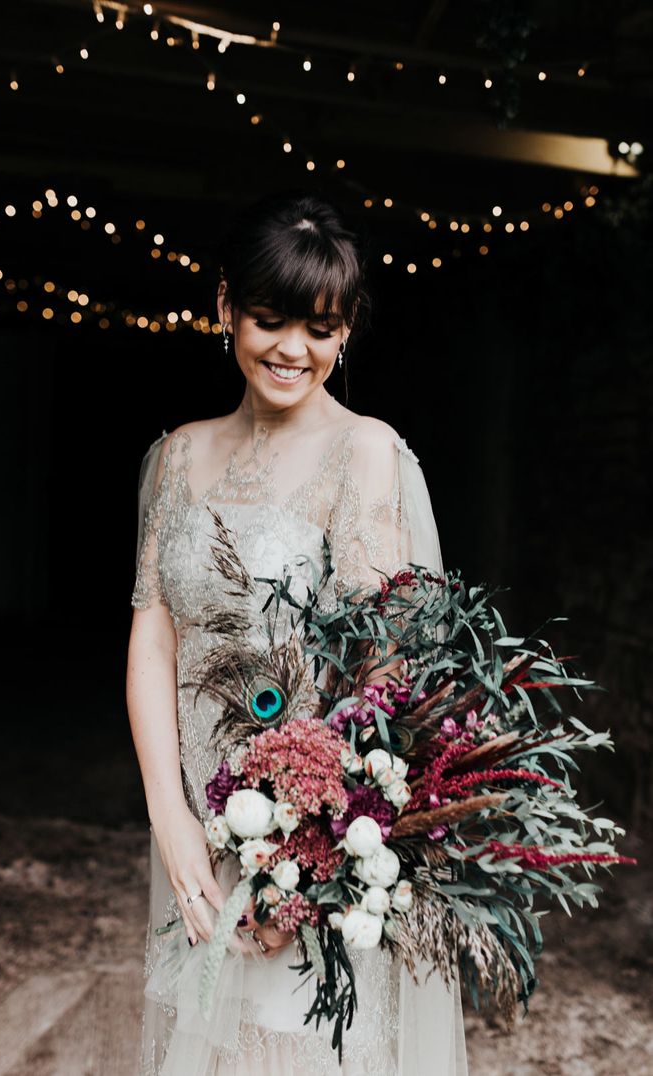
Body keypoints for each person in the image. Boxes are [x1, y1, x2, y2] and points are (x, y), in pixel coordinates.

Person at [126, 191, 469, 1075]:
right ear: (224, 309)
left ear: (346, 331)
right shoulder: (174, 457)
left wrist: (305, 867)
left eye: (319, 329)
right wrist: (170, 818)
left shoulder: (366, 456)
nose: (292, 350)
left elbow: (386, 683)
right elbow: (154, 637)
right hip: (198, 827)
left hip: (310, 833)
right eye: (269, 320)